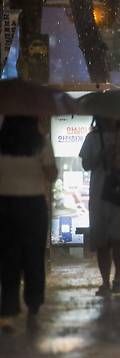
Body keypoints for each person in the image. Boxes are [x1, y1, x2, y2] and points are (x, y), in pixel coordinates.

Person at [0, 116, 57, 329]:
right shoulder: (40, 142)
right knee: (34, 254)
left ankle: (8, 308)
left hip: (4, 204)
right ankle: (33, 304)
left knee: (8, 256)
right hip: (33, 204)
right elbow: (52, 174)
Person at [79, 117, 120, 297]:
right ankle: (105, 282)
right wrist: (102, 157)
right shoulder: (92, 138)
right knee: (102, 240)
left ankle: (118, 277)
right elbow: (86, 164)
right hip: (99, 193)